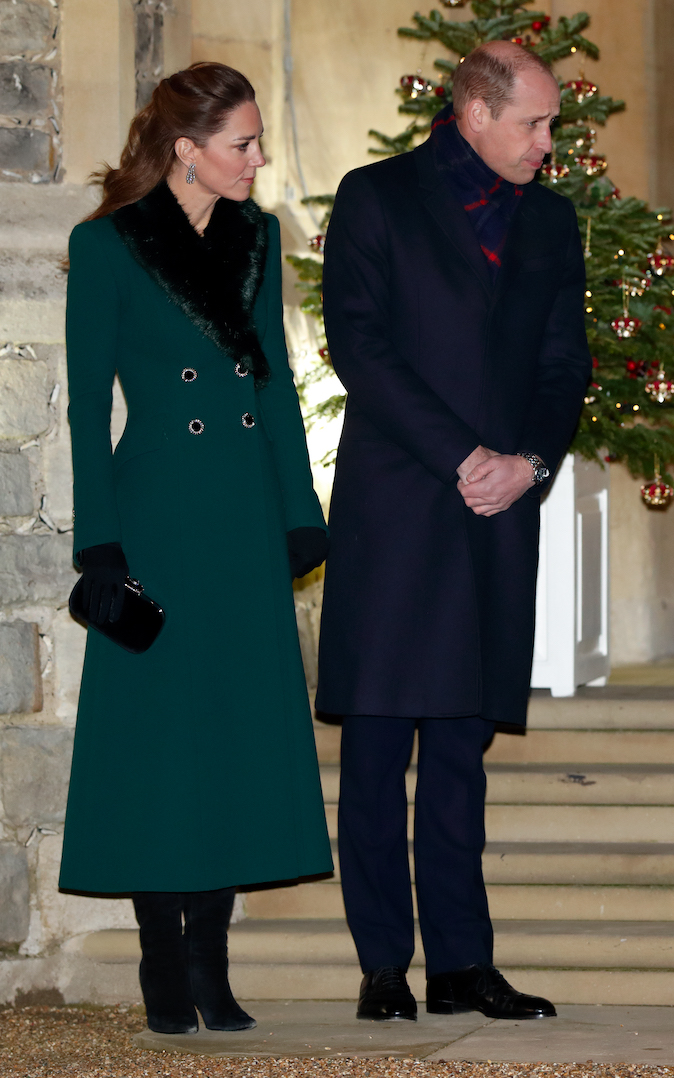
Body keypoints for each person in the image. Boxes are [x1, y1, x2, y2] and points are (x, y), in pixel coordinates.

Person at [316, 40, 590, 1022]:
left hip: (496, 518)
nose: (547, 144)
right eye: (535, 123)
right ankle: (385, 966)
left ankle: (464, 964)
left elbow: (566, 366)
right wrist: (461, 453)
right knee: (382, 746)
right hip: (399, 508)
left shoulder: (552, 222)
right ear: (475, 113)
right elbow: (360, 340)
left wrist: (528, 463)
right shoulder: (376, 196)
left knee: (462, 754)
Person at [59, 62, 333, 1035]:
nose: (259, 160)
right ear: (187, 150)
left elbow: (276, 388)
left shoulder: (259, 239)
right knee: (156, 740)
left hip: (243, 518)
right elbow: (88, 406)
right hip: (158, 515)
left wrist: (300, 510)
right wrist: (100, 542)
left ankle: (214, 964)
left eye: (258, 142)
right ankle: (160, 958)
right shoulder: (107, 248)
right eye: (243, 145)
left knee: (231, 734)